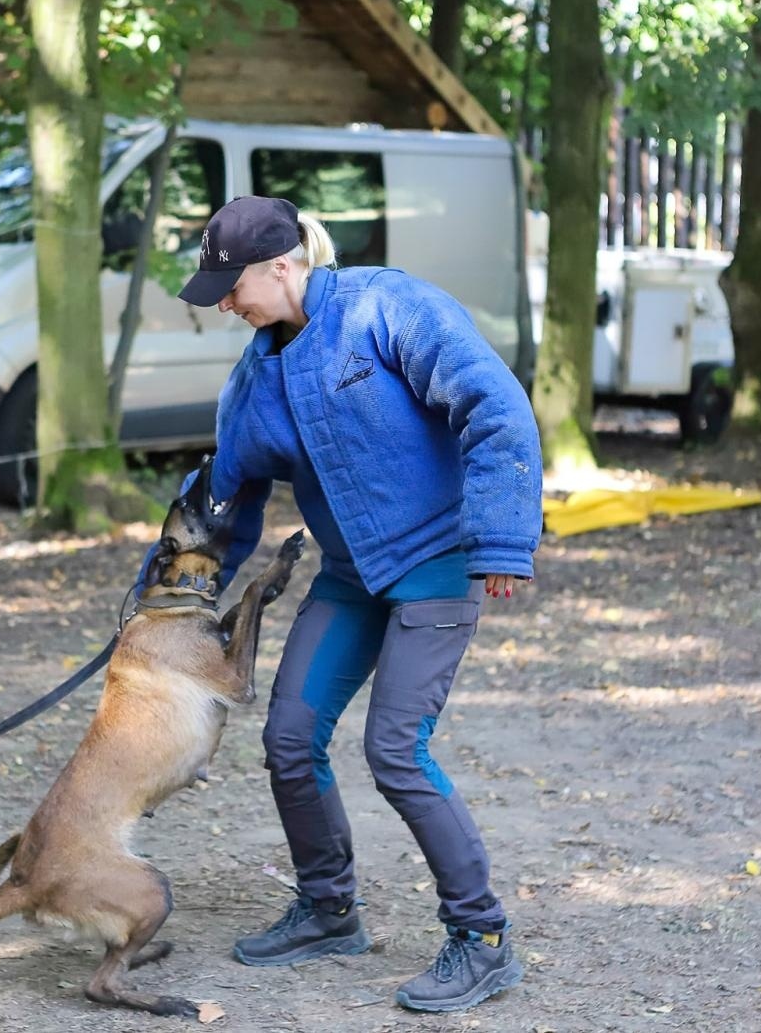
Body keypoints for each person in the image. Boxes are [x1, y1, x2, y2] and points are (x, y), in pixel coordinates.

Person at [160, 195, 542, 1013]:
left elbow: (493, 403)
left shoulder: (383, 306)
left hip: (436, 561)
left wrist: (503, 537)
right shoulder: (255, 378)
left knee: (395, 749)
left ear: (282, 267)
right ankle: (329, 910)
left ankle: (482, 939)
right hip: (350, 574)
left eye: (232, 288)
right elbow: (226, 495)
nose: (225, 305)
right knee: (290, 737)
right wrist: (164, 597)